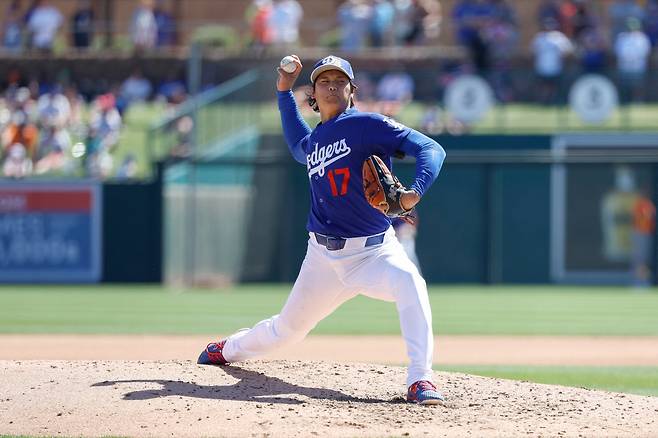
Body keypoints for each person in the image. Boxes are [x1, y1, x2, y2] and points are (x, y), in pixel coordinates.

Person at [197, 54, 447, 405]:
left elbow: (430, 148)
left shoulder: (368, 125)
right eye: (323, 81)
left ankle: (420, 379)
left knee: (410, 283)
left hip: (374, 252)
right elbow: (297, 143)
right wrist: (283, 90)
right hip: (322, 258)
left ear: (352, 90)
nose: (332, 85)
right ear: (313, 93)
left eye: (340, 80)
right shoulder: (315, 141)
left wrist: (414, 191)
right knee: (286, 332)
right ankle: (228, 349)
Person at [631, 190, 655, 287]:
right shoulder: (639, 205)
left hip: (647, 234)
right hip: (640, 234)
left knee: (644, 259)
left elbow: (651, 216)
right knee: (639, 259)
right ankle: (638, 282)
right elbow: (640, 217)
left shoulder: (649, 204)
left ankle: (643, 281)